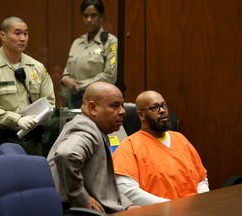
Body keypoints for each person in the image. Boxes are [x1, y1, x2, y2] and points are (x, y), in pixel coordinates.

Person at [47, 82, 139, 214]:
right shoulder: (86, 129)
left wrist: (127, 206)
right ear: (93, 108)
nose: (123, 111)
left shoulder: (95, 128)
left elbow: (104, 186)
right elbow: (66, 154)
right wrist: (82, 198)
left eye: (122, 105)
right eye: (115, 106)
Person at [0, 16, 55, 158]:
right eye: (17, 33)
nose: (23, 38)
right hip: (2, 140)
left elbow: (50, 103)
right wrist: (18, 120)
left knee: (34, 179)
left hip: (32, 140)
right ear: (2, 36)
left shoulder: (37, 67)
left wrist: (39, 117)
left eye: (26, 33)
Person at [113, 90, 210, 206]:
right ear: (141, 115)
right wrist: (169, 207)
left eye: (164, 105)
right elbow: (128, 191)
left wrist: (201, 201)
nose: (163, 110)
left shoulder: (181, 139)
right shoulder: (129, 146)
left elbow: (201, 179)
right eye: (154, 108)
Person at [60, 0, 118, 108]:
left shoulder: (111, 43)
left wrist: (79, 85)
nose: (89, 20)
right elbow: (67, 72)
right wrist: (65, 80)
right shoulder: (77, 42)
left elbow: (110, 76)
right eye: (85, 16)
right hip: (74, 102)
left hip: (99, 102)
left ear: (102, 17)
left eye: (93, 15)